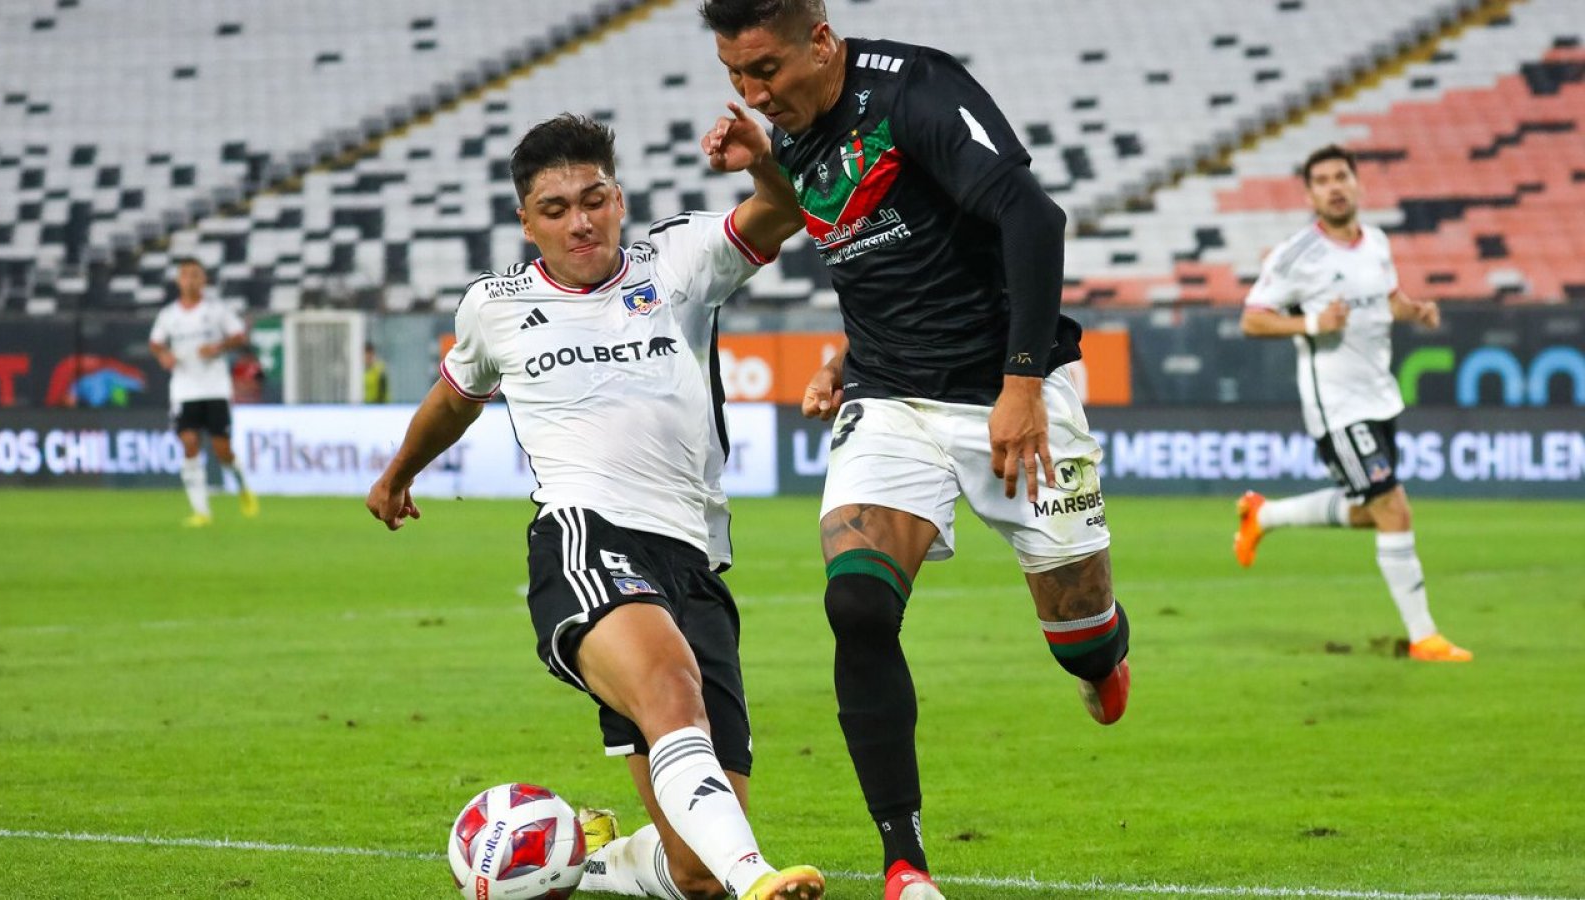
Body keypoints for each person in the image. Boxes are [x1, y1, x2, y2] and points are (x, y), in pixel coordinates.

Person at [701, 4, 1131, 898]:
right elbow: (886, 256)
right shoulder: (797, 132)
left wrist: (1020, 385)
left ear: (821, 39)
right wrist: (847, 357)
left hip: (1017, 392)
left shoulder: (915, 92)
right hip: (891, 399)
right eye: (735, 74)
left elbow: (1032, 219)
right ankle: (906, 865)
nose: (754, 91)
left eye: (766, 69)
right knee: (857, 607)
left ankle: (1100, 657)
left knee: (1081, 634)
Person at [365, 113, 822, 900]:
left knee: (691, 874)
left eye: (595, 198)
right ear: (526, 221)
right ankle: (757, 881)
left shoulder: (678, 259)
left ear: (619, 197)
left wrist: (768, 162)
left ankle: (596, 854)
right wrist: (397, 474)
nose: (580, 221)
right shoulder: (495, 305)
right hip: (586, 534)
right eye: (556, 208)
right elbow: (457, 395)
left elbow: (781, 211)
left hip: (696, 559)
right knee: (672, 695)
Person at [1234, 144, 1471, 663]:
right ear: (1309, 193)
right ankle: (1423, 637)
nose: (1334, 186)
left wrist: (1415, 311)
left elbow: (1387, 298)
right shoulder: (1296, 256)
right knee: (1393, 508)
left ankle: (1264, 515)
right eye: (1321, 180)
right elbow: (1253, 318)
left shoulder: (1377, 243)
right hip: (1337, 406)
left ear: (1358, 184)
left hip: (1381, 396)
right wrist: (1313, 323)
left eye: (1341, 176)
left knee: (1372, 512)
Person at [148, 257, 259, 526]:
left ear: (204, 280)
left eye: (195, 275)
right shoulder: (169, 315)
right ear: (178, 280)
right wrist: (163, 356)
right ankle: (201, 512)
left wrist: (218, 347)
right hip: (184, 389)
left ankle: (243, 485)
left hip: (215, 387)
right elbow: (155, 343)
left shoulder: (217, 310)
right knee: (189, 443)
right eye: (185, 275)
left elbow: (239, 335)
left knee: (222, 450)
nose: (190, 280)